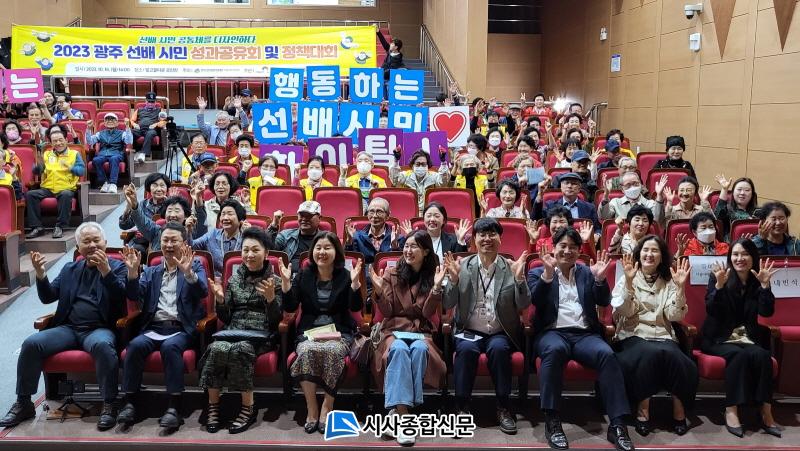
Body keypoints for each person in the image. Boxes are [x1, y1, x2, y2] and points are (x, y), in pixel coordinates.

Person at [0, 222, 126, 430]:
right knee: (31, 343)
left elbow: (122, 296)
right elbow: (49, 296)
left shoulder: (118, 266)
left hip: (99, 329)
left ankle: (109, 404)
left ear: (105, 242)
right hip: (69, 328)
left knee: (103, 346)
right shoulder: (70, 269)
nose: (92, 245)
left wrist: (106, 272)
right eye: (86, 241)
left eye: (96, 240)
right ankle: (24, 402)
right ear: (78, 247)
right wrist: (41, 275)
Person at [528, 228, 634, 451]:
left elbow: (603, 301)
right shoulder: (538, 272)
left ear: (579, 251)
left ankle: (617, 424)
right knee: (554, 350)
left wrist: (600, 279)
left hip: (584, 334)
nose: (567, 251)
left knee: (607, 354)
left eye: (573, 247)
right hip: (552, 332)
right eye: (563, 246)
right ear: (554, 248)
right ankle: (552, 421)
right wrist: (548, 275)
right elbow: (536, 301)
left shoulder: (587, 272)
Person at [118, 223, 209, 431]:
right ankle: (130, 402)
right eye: (165, 240)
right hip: (154, 327)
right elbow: (134, 296)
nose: (168, 245)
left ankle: (174, 406)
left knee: (170, 347)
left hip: (181, 328)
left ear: (184, 244)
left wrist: (188, 274)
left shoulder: (194, 266)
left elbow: (203, 292)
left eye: (173, 240)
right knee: (135, 346)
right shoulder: (151, 271)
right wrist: (132, 274)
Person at [443, 218, 530, 434]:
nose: (487, 239)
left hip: (499, 331)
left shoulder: (510, 267)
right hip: (468, 330)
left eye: (492, 234)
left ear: (500, 239)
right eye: (482, 235)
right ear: (474, 239)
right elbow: (448, 303)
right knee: (465, 350)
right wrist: (453, 281)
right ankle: (461, 407)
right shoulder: (463, 266)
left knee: (499, 349)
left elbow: (523, 304)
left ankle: (503, 407)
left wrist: (519, 279)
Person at [612, 237, 698, 436]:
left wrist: (680, 288)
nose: (649, 254)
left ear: (662, 257)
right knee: (648, 354)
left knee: (678, 359)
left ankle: (679, 411)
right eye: (645, 250)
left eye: (654, 251)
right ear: (639, 254)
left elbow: (674, 316)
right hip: (633, 335)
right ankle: (643, 411)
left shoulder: (669, 280)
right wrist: (629, 283)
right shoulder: (627, 276)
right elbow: (625, 311)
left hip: (662, 335)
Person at [279, 232, 363, 434]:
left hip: (339, 331)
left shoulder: (345, 275)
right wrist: (286, 284)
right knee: (306, 351)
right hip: (309, 332)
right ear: (312, 251)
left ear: (336, 252)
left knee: (333, 352)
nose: (322, 252)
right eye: (318, 248)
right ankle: (312, 408)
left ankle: (327, 406)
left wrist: (354, 285)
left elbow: (355, 307)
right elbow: (290, 307)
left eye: (327, 248)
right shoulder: (304, 275)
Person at [200, 227, 282, 434]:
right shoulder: (234, 280)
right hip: (233, 331)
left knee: (241, 349)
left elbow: (276, 322)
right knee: (216, 348)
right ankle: (213, 406)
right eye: (245, 250)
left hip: (261, 334)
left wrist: (271, 300)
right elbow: (226, 318)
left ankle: (248, 408)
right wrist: (220, 300)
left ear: (266, 253)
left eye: (255, 250)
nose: (249, 255)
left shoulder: (275, 282)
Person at [369, 230, 447, 446]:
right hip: (393, 331)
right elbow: (387, 312)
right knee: (399, 349)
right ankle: (405, 420)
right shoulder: (391, 273)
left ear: (425, 251)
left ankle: (395, 412)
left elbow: (427, 313)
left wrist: (436, 288)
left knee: (420, 349)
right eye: (406, 246)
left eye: (414, 246)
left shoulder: (432, 275)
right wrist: (378, 292)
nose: (408, 250)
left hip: (420, 331)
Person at [703, 240, 781, 438]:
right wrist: (719, 286)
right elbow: (711, 310)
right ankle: (731, 409)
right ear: (730, 257)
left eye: (745, 254)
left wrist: (765, 286)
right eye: (735, 254)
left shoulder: (758, 279)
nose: (740, 258)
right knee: (738, 356)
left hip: (747, 338)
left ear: (753, 257)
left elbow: (766, 312)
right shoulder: (719, 276)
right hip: (719, 338)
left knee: (763, 355)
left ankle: (766, 411)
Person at [25, 125, 86, 239]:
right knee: (30, 195)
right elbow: (38, 171)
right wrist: (38, 166)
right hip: (47, 188)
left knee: (66, 194)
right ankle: (37, 227)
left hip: (65, 187)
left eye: (60, 140)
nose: (58, 143)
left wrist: (70, 168)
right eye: (55, 141)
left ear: (66, 140)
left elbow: (81, 171)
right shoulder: (47, 154)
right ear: (51, 143)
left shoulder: (74, 154)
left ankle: (60, 226)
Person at [123, 184, 206, 251]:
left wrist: (198, 197)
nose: (172, 215)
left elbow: (201, 220)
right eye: (169, 211)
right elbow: (141, 221)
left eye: (177, 211)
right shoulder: (156, 231)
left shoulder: (192, 231)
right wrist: (134, 204)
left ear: (186, 216)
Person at [192, 200, 250, 277]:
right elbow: (191, 246)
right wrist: (188, 231)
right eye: (223, 214)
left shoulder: (246, 238)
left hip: (241, 281)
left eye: (230, 214)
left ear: (240, 220)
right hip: (215, 281)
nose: (225, 218)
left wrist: (250, 235)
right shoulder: (212, 234)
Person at [118, 173, 171, 257]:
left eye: (162, 186)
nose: (159, 189)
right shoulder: (142, 204)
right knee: (137, 251)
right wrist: (128, 207)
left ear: (167, 188)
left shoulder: (171, 206)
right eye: (155, 185)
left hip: (161, 241)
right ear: (149, 188)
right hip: (141, 240)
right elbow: (124, 225)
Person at [402, 202, 470, 263]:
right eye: (428, 216)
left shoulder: (453, 240)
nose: (432, 219)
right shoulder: (417, 239)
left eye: (437, 216)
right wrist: (410, 240)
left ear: (444, 220)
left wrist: (460, 241)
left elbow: (461, 263)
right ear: (424, 219)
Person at [533, 172, 602, 233]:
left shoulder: (589, 207)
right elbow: (535, 220)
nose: (569, 186)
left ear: (579, 188)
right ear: (561, 187)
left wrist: (597, 234)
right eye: (566, 183)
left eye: (573, 183)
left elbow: (597, 229)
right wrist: (539, 195)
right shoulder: (551, 206)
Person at [268, 200, 324, 273]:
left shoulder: (326, 240)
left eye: (309, 216)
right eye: (301, 215)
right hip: (288, 277)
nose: (304, 219)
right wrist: (274, 225)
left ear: (319, 218)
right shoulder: (286, 235)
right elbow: (268, 250)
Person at [85, 113, 133, 194]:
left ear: (117, 123)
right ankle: (105, 183)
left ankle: (113, 184)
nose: (110, 121)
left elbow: (129, 141)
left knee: (114, 158)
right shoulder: (100, 133)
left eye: (112, 119)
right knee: (96, 160)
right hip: (103, 154)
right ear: (104, 123)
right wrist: (88, 129)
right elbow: (90, 142)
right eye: (107, 119)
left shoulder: (122, 133)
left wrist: (127, 127)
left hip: (116, 153)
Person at [390, 149, 449, 214]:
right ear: (413, 166)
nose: (420, 167)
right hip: (409, 211)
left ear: (427, 166)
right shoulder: (406, 175)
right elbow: (395, 180)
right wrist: (396, 160)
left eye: (423, 164)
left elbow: (443, 183)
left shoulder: (434, 176)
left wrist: (443, 162)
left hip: (429, 212)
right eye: (417, 164)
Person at [344, 197, 398, 265]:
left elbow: (400, 264)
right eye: (371, 211)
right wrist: (349, 242)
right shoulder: (357, 237)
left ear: (387, 216)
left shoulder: (396, 238)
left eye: (379, 211)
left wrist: (395, 247)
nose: (374, 216)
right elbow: (348, 262)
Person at [599, 171, 666, 225]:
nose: (632, 187)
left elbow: (657, 221)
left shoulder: (650, 203)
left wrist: (659, 195)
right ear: (622, 189)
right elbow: (604, 216)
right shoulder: (616, 202)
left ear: (640, 185)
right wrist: (606, 195)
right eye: (628, 185)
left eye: (635, 183)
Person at [528, 206, 596, 258]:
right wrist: (533, 242)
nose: (558, 226)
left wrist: (585, 242)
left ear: (569, 224)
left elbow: (591, 264)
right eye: (554, 222)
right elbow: (531, 264)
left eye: (562, 221)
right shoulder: (541, 243)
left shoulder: (577, 243)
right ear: (549, 224)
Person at [713, 175, 758, 240]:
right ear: (733, 193)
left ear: (752, 194)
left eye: (747, 190)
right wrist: (724, 189)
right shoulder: (727, 209)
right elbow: (717, 218)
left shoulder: (758, 212)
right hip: (731, 244)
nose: (742, 193)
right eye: (739, 189)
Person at [130, 91, 164, 163]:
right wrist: (134, 124)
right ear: (145, 101)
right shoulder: (139, 109)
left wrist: (156, 124)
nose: (150, 104)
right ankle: (130, 153)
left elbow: (163, 122)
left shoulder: (159, 110)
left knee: (150, 134)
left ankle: (143, 154)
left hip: (151, 130)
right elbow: (132, 120)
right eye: (149, 102)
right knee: (130, 132)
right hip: (140, 129)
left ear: (155, 102)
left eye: (152, 102)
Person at [453, 154, 488, 219]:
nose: (469, 167)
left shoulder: (483, 178)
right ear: (462, 167)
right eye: (466, 165)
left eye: (472, 164)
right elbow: (449, 190)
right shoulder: (457, 179)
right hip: (462, 209)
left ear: (476, 166)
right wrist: (455, 167)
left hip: (480, 209)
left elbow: (490, 191)